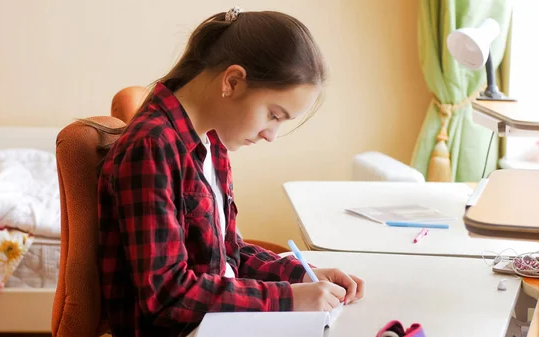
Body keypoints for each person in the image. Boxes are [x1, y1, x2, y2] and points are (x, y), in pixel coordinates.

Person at [97, 6, 365, 337]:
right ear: (233, 81)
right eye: (273, 115)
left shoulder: (212, 143)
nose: (271, 135)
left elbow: (227, 254)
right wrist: (288, 298)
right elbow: (167, 296)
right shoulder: (152, 147)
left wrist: (301, 275)